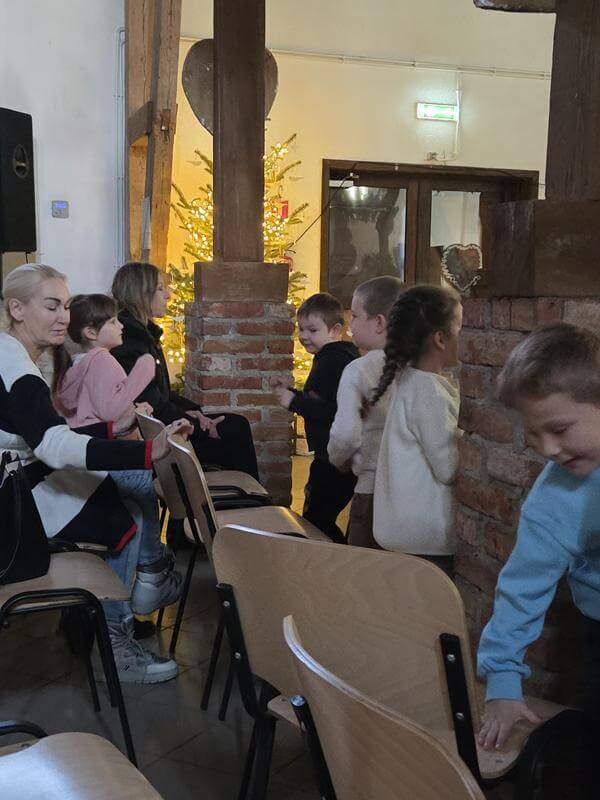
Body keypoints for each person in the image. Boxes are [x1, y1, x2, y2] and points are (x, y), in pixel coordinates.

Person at [0, 264, 192, 683]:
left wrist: (110, 431)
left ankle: (115, 612)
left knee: (123, 500)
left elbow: (41, 435)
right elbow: (50, 443)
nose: (63, 317)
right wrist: (146, 450)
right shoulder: (15, 367)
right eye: (51, 306)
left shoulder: (14, 356)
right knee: (121, 507)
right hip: (10, 510)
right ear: (16, 309)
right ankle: (115, 644)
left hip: (19, 485)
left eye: (66, 306)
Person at [478, 322, 600, 751]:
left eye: (560, 430)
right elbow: (522, 587)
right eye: (534, 434)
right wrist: (502, 680)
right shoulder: (556, 497)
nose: (547, 449)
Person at [54, 293, 182, 620]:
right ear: (91, 333)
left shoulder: (74, 363)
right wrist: (145, 368)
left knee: (139, 500)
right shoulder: (102, 359)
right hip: (103, 460)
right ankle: (152, 570)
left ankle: (150, 573)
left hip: (81, 462)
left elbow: (96, 410)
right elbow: (110, 410)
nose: (121, 325)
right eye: (112, 321)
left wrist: (133, 409)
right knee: (145, 483)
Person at [110, 261, 260, 480]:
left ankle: (249, 497)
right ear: (140, 294)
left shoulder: (143, 335)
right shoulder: (131, 342)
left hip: (167, 428)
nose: (168, 295)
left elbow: (160, 394)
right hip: (160, 443)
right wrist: (198, 426)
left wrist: (193, 411)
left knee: (235, 425)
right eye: (160, 288)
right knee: (234, 433)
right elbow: (150, 405)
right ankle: (246, 498)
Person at [366, 284, 462, 576]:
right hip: (424, 539)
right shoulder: (426, 389)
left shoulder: (411, 380)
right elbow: (447, 467)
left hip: (405, 532)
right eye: (462, 327)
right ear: (441, 339)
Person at [272, 292, 359, 543]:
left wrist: (294, 402)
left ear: (335, 330)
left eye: (312, 330)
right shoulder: (334, 356)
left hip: (334, 457)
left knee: (316, 520)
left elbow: (331, 408)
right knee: (318, 515)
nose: (304, 336)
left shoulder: (333, 360)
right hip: (331, 454)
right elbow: (319, 398)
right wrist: (293, 394)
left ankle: (336, 556)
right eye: (301, 329)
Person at [328, 276, 405, 548]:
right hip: (410, 492)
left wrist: (337, 459)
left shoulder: (358, 370)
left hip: (371, 490)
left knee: (365, 569)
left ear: (379, 322)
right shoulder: (417, 365)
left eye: (356, 315)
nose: (350, 324)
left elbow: (345, 435)